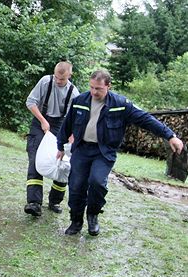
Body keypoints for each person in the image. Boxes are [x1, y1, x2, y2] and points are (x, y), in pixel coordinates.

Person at [57, 69, 184, 236]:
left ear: (108, 86)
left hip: (104, 151)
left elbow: (146, 119)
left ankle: (93, 215)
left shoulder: (121, 104)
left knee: (97, 182)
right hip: (82, 149)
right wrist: (60, 145)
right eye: (92, 87)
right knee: (76, 185)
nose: (94, 92)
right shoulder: (80, 101)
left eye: (99, 89)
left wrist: (170, 136)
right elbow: (67, 124)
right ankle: (76, 221)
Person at [24, 61, 80, 217]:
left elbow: (73, 120)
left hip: (62, 126)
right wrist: (42, 120)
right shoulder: (45, 81)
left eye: (61, 79)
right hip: (40, 122)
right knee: (35, 159)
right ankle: (34, 203)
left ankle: (54, 201)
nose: (58, 81)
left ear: (69, 75)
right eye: (56, 77)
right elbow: (30, 102)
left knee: (63, 164)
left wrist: (70, 138)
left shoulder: (74, 93)